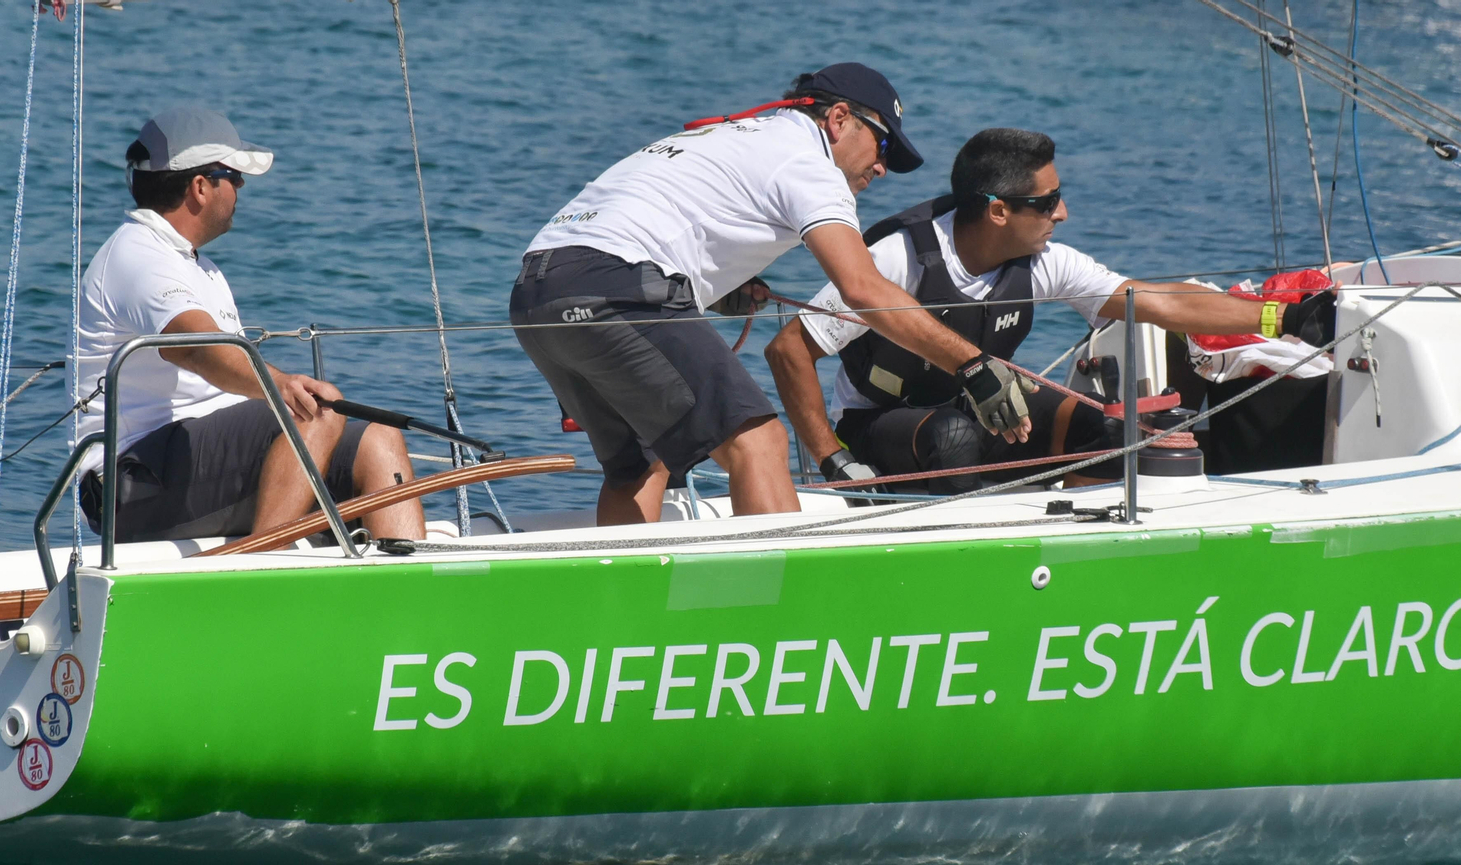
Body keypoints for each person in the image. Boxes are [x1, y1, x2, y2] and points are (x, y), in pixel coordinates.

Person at [511, 63, 1039, 526]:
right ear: (837, 120)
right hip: (615, 287)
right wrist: (973, 364)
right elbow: (862, 288)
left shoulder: (731, 136)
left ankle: (623, 615)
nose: (881, 168)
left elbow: (661, 222)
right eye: (882, 146)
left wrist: (719, 290)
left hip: (537, 293)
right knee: (758, 441)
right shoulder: (808, 160)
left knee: (639, 464)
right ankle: (782, 618)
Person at [764, 127, 1336, 495]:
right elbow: (789, 349)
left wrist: (1279, 318)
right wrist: (830, 458)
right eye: (1046, 203)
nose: (1061, 214)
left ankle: (1067, 538)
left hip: (989, 405)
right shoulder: (893, 259)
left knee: (1115, 433)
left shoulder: (1042, 260)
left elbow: (1156, 301)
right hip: (883, 427)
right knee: (956, 438)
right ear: (996, 212)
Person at [74, 108, 425, 543]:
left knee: (380, 440)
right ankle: (259, 582)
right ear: (200, 187)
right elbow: (198, 349)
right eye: (234, 176)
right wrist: (278, 385)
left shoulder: (200, 268)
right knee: (316, 411)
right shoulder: (138, 255)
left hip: (194, 463)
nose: (241, 188)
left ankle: (408, 596)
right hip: (133, 481)